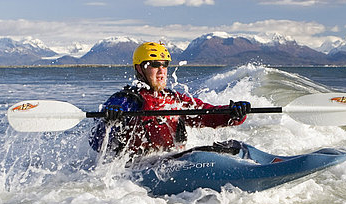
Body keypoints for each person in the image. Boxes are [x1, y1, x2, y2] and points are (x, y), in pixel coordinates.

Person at [90, 42, 251, 156]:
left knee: (234, 146)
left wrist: (233, 113)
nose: (161, 71)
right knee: (198, 156)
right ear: (140, 69)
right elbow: (96, 142)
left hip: (173, 161)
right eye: (154, 65)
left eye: (164, 64)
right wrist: (109, 121)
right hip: (140, 167)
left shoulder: (174, 99)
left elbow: (207, 115)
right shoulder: (125, 101)